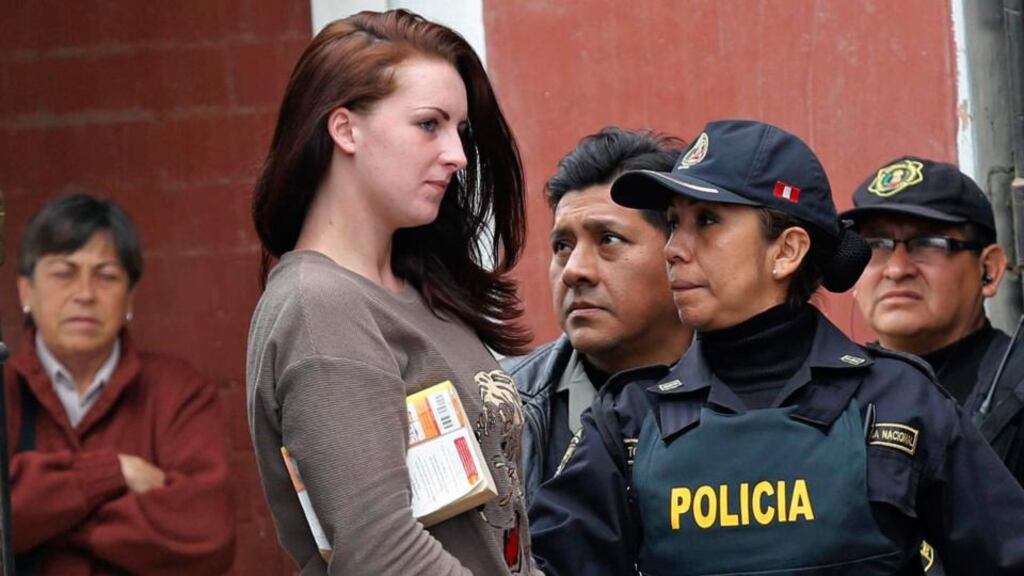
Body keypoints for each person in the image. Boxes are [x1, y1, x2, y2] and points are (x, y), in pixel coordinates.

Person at [529, 120, 1024, 575]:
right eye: (674, 222)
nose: (673, 248)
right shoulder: (629, 420)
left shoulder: (900, 403)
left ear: (787, 251)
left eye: (707, 221)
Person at [247, 10, 539, 575]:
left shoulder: (423, 292)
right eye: (429, 124)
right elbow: (380, 552)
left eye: (459, 130)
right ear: (345, 129)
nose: (457, 154)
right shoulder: (319, 307)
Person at [7, 193, 235, 575]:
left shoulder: (179, 392)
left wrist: (44, 517)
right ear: (25, 291)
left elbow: (207, 534)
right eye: (63, 273)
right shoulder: (6, 390)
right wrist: (115, 472)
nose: (84, 294)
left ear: (129, 297)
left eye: (107, 276)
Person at [504, 127, 692, 509]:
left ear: (678, 253)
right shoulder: (501, 406)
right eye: (562, 246)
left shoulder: (757, 390)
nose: (574, 270)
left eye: (608, 239)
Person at [842, 157, 1024, 486]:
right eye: (876, 245)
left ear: (989, 269)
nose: (897, 269)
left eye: (927, 243)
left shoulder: (1015, 388)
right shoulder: (830, 393)